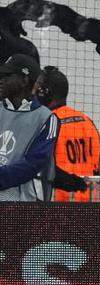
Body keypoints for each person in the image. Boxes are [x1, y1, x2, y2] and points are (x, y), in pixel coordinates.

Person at [36, 66, 100, 202]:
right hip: (93, 202)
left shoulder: (47, 123)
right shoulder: (87, 121)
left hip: (62, 203)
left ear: (45, 93)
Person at [0, 54, 59, 201]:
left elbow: (33, 163)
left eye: (7, 75)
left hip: (24, 204)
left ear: (24, 80)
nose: (2, 80)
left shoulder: (46, 118)